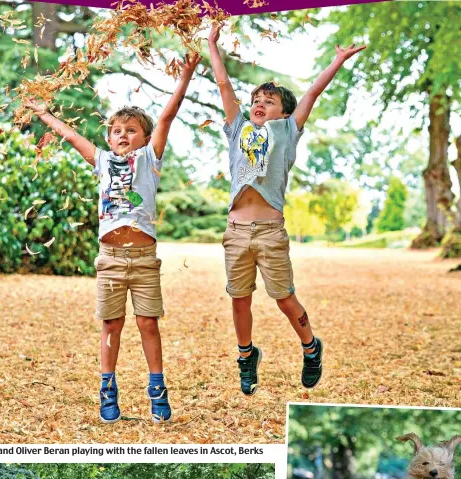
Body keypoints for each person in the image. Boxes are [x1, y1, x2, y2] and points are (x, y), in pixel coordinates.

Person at [25, 53, 201, 424]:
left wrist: (184, 75)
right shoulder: (102, 160)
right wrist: (43, 114)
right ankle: (108, 388)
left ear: (147, 137)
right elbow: (71, 135)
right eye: (117, 130)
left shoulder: (151, 158)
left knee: (148, 323)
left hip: (144, 260)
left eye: (132, 129)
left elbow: (167, 115)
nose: (123, 135)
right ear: (108, 137)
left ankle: (157, 388)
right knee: (111, 325)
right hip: (109, 258)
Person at [207, 24, 365, 395]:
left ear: (283, 113)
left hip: (270, 233)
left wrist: (338, 60)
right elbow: (224, 85)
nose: (259, 104)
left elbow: (312, 92)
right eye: (257, 100)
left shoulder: (287, 132)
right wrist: (212, 44)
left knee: (283, 297)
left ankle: (311, 348)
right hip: (236, 232)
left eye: (269, 101)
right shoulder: (238, 129)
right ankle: (247, 357)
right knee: (239, 298)